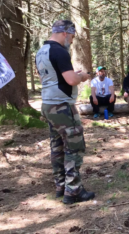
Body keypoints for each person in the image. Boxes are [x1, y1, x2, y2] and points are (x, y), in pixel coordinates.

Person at [36, 20, 95, 204]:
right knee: (74, 145)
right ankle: (73, 191)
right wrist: (82, 77)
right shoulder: (59, 50)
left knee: (57, 146)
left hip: (48, 103)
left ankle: (60, 185)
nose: (71, 40)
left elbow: (53, 76)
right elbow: (70, 80)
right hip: (61, 105)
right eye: (71, 36)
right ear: (64, 33)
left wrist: (72, 74)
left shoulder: (41, 51)